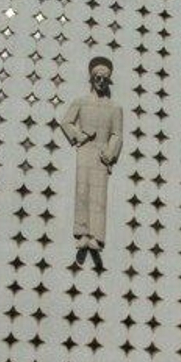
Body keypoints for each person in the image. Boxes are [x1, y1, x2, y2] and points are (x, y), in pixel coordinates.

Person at [56, 56, 125, 256]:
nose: (101, 81)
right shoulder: (81, 102)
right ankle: (82, 232)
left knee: (99, 195)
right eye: (98, 77)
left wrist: (110, 153)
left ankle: (97, 236)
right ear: (92, 78)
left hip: (102, 153)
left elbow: (117, 135)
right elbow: (66, 122)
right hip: (85, 150)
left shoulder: (115, 108)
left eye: (105, 78)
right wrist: (80, 137)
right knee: (83, 190)